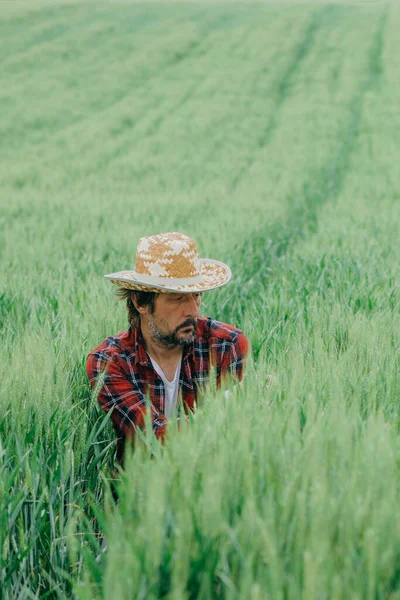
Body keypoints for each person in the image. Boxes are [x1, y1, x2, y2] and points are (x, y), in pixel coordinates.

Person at [86, 231, 249, 467]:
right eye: (177, 298)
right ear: (140, 302)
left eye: (196, 296)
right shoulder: (110, 363)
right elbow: (155, 438)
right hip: (140, 496)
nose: (193, 310)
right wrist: (226, 407)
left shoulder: (227, 346)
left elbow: (238, 440)